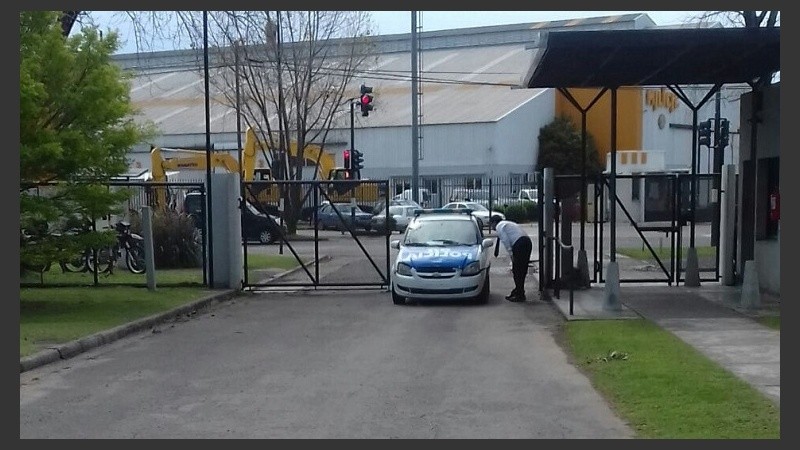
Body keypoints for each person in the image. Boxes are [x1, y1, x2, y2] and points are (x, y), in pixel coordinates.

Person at [490, 216, 532, 302]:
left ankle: (520, 293)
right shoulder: (507, 223)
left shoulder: (499, 226)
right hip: (527, 241)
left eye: (491, 224)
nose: (491, 227)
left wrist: (511, 254)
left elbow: (505, 240)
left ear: (494, 222)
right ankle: (519, 290)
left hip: (519, 244)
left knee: (517, 270)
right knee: (522, 269)